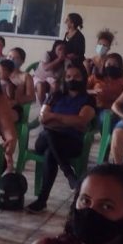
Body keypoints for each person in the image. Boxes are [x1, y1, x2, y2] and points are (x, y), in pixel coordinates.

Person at [26, 63, 97, 212]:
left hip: (71, 143)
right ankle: (69, 173)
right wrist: (68, 121)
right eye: (69, 76)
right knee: (49, 134)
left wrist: (55, 118)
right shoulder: (55, 96)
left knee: (51, 152)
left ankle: (42, 200)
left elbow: (82, 121)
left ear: (83, 78)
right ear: (64, 78)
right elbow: (43, 119)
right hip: (44, 141)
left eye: (77, 76)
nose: (72, 79)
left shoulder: (88, 99)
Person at [87, 53, 123, 123]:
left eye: (115, 64)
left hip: (116, 109)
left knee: (110, 118)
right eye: (109, 64)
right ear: (104, 64)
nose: (112, 66)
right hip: (96, 107)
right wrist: (92, 91)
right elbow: (81, 89)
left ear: (119, 66)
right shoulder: (95, 77)